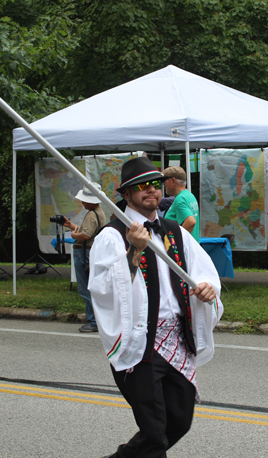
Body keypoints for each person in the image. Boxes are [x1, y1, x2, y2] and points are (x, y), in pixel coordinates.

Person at [88, 157, 223, 458]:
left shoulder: (175, 232)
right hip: (140, 343)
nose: (151, 190)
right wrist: (134, 250)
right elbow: (105, 289)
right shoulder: (112, 236)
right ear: (126, 195)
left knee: (178, 420)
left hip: (177, 339)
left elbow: (204, 272)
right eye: (141, 186)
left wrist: (206, 289)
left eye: (156, 184)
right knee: (154, 432)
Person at [62, 187, 105, 332]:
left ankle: (93, 321)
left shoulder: (92, 215)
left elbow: (86, 236)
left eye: (85, 200)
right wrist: (72, 226)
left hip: (84, 253)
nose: (83, 202)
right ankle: (97, 320)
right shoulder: (97, 213)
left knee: (85, 288)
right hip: (89, 252)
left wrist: (74, 235)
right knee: (91, 286)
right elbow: (87, 230)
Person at [162, 166, 200, 243]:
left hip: (185, 250)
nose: (163, 183)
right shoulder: (189, 195)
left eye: (164, 180)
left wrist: (176, 241)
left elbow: (191, 221)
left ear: (173, 181)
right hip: (193, 247)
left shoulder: (180, 199)